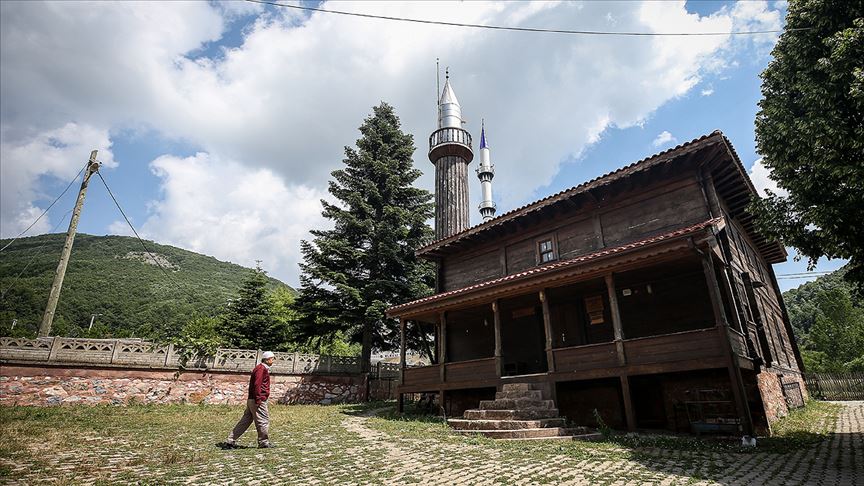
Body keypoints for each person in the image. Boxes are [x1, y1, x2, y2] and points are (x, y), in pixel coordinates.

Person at [224, 351, 275, 448]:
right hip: (257, 399)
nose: (273, 361)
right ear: (267, 360)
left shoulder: (260, 368)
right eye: (272, 359)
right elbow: (257, 384)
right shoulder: (261, 369)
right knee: (263, 420)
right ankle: (263, 442)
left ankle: (230, 440)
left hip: (252, 398)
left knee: (246, 420)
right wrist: (258, 399)